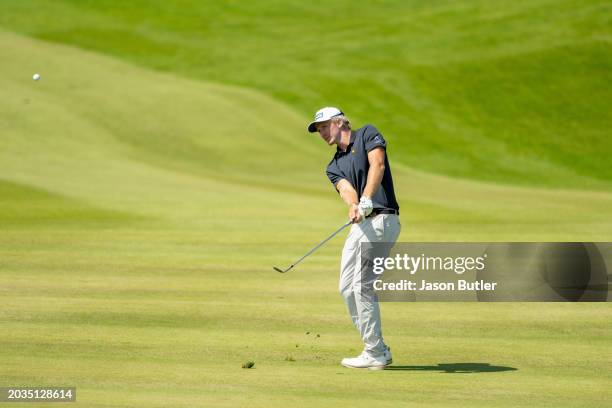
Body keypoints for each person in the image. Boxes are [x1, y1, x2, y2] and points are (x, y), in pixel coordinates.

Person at [307, 107, 401, 370]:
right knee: (347, 288)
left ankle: (374, 351)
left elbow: (377, 165)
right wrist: (354, 205)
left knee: (362, 285)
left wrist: (368, 198)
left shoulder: (367, 134)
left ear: (339, 122)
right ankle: (378, 348)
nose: (322, 132)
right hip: (362, 224)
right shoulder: (333, 165)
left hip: (383, 219)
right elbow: (346, 189)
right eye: (319, 129)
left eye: (325, 126)